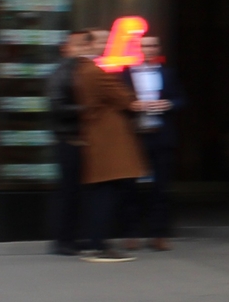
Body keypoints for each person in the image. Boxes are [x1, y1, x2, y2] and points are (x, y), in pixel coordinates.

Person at [73, 33, 147, 262]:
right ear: (88, 44)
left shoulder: (81, 70)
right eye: (101, 42)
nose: (106, 46)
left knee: (100, 194)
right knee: (106, 195)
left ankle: (97, 242)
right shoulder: (96, 72)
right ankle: (100, 245)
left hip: (97, 138)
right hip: (108, 140)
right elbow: (125, 99)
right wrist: (129, 95)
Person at [44, 28, 102, 255]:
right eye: (78, 45)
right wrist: (86, 110)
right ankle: (62, 240)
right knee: (68, 192)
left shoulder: (79, 70)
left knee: (79, 192)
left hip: (80, 139)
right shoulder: (62, 72)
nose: (83, 49)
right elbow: (57, 105)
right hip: (68, 140)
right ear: (67, 48)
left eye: (85, 45)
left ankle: (73, 237)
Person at [123, 33, 182, 251]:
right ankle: (132, 233)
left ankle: (158, 234)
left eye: (153, 45)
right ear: (139, 49)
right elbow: (119, 101)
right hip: (136, 136)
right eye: (145, 45)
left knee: (161, 187)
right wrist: (132, 105)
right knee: (131, 187)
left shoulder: (168, 73)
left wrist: (169, 104)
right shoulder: (126, 74)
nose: (149, 48)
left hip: (161, 134)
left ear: (158, 49)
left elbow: (181, 99)